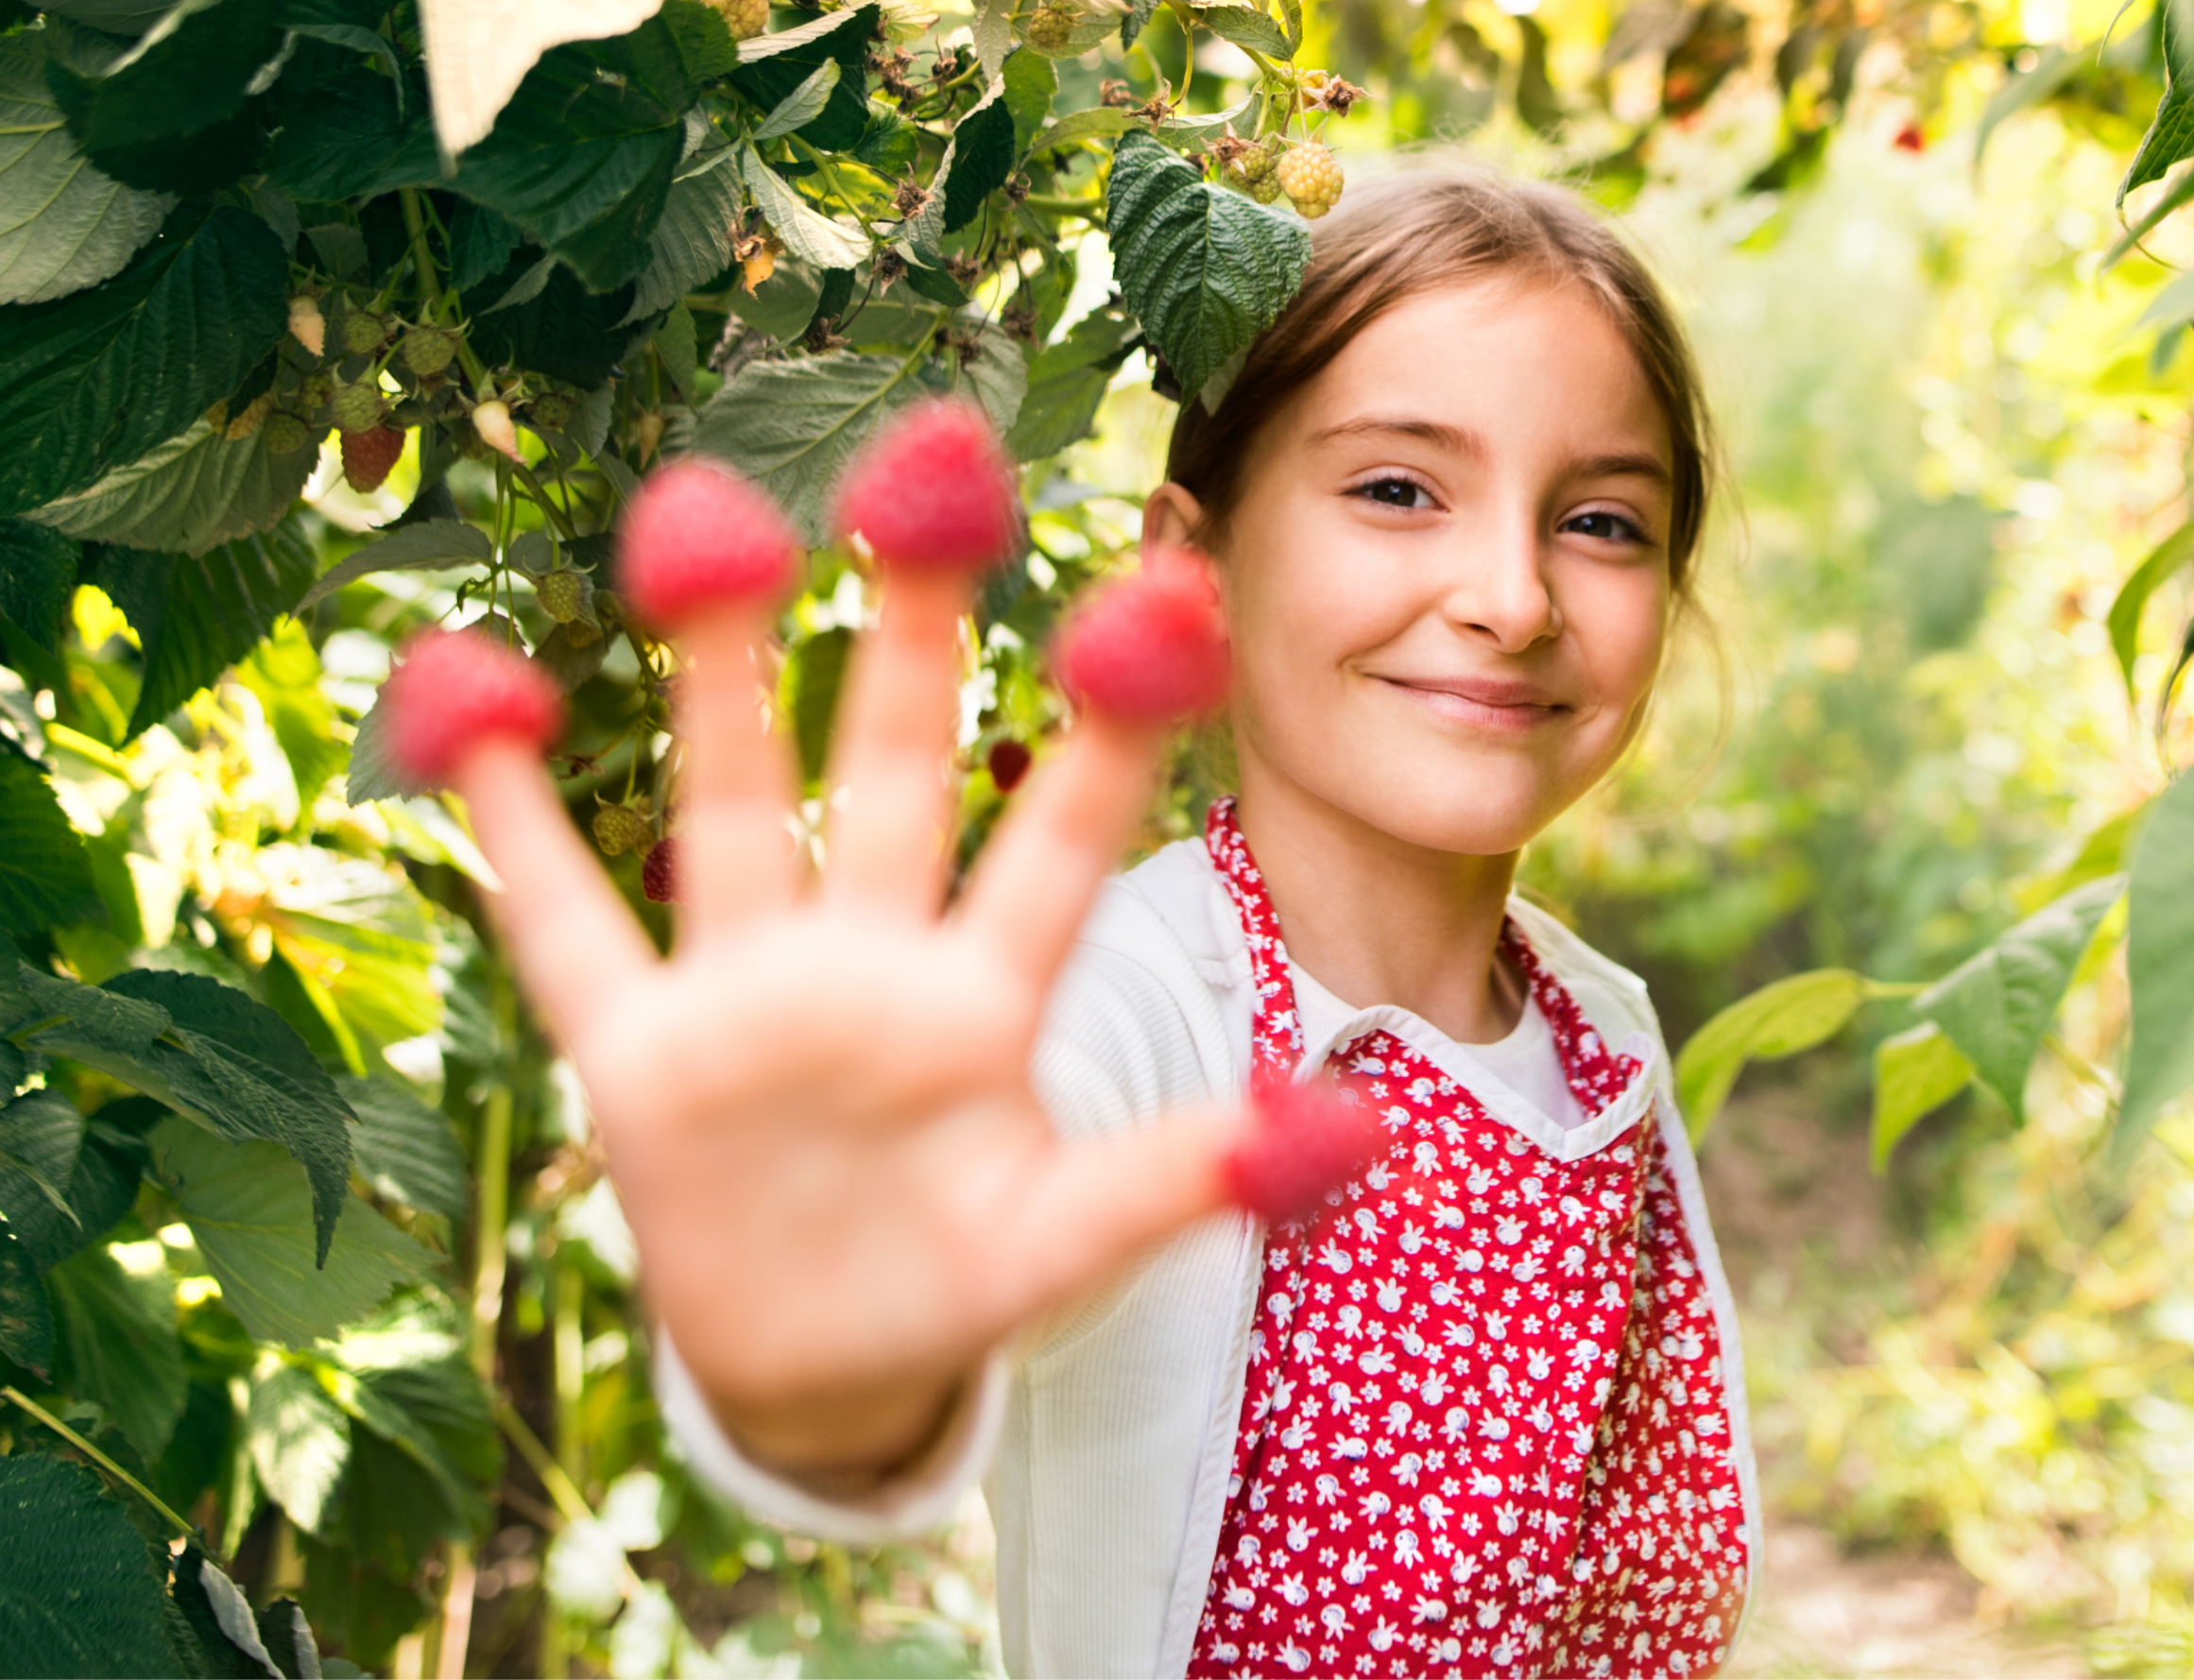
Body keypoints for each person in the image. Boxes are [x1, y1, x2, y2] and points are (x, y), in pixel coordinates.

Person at [442, 168, 1757, 1676]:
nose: (1512, 596)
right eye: (1398, 489)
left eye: (1600, 521)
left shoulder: (1599, 1038)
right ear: (1191, 565)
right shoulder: (1129, 1013)